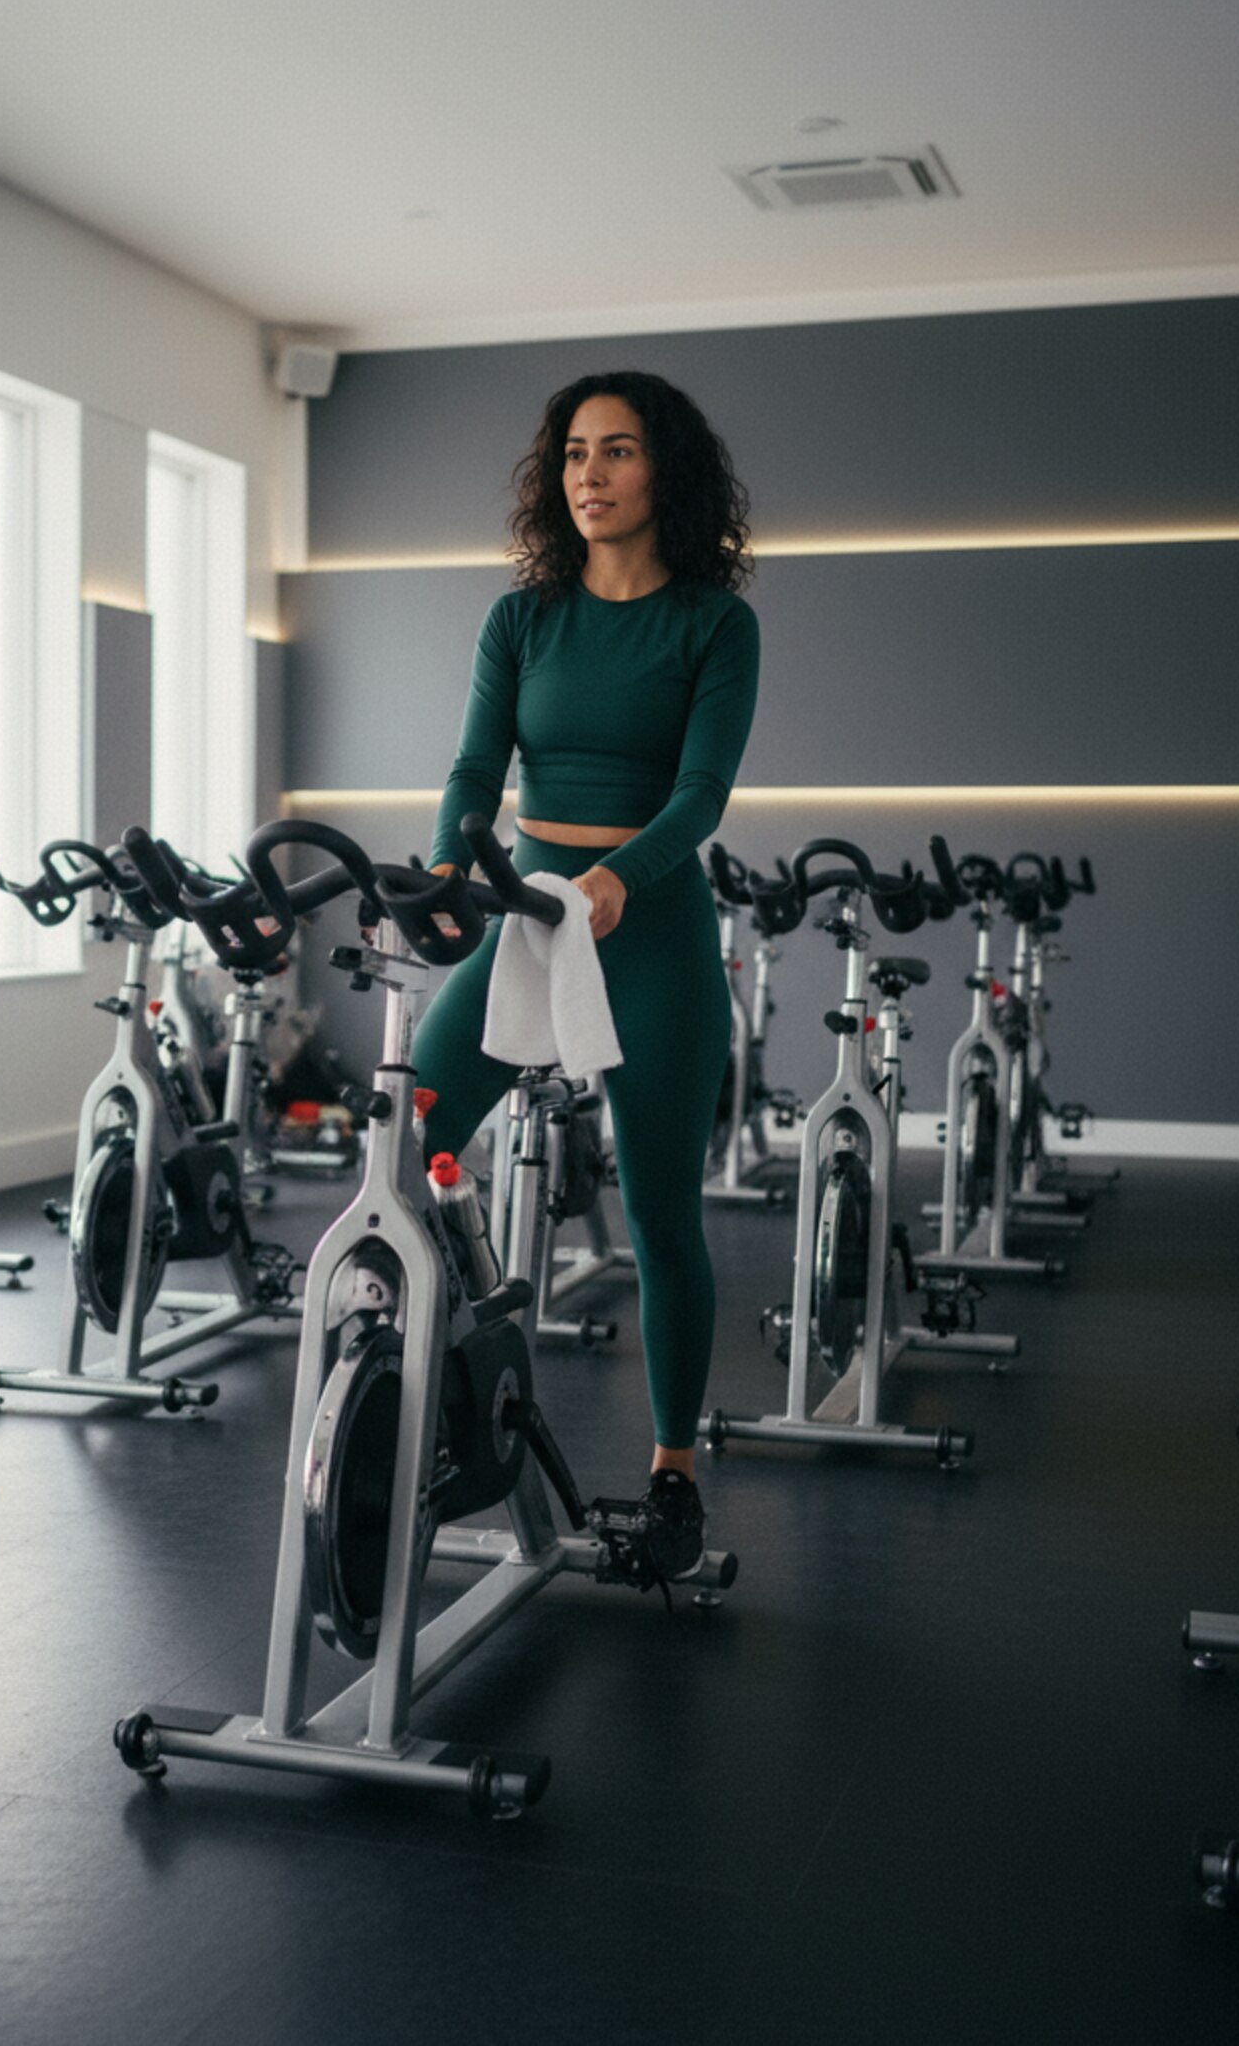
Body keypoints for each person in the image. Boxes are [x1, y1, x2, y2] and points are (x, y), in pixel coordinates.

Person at [416, 368, 759, 1576]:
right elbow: (473, 769)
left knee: (663, 1216)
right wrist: (457, 854)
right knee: (408, 1140)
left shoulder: (714, 623)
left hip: (650, 934)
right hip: (524, 912)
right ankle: (445, 1392)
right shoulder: (521, 618)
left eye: (614, 451)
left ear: (662, 470)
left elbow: (698, 796)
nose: (587, 475)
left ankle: (672, 1470)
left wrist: (618, 877)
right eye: (570, 453)